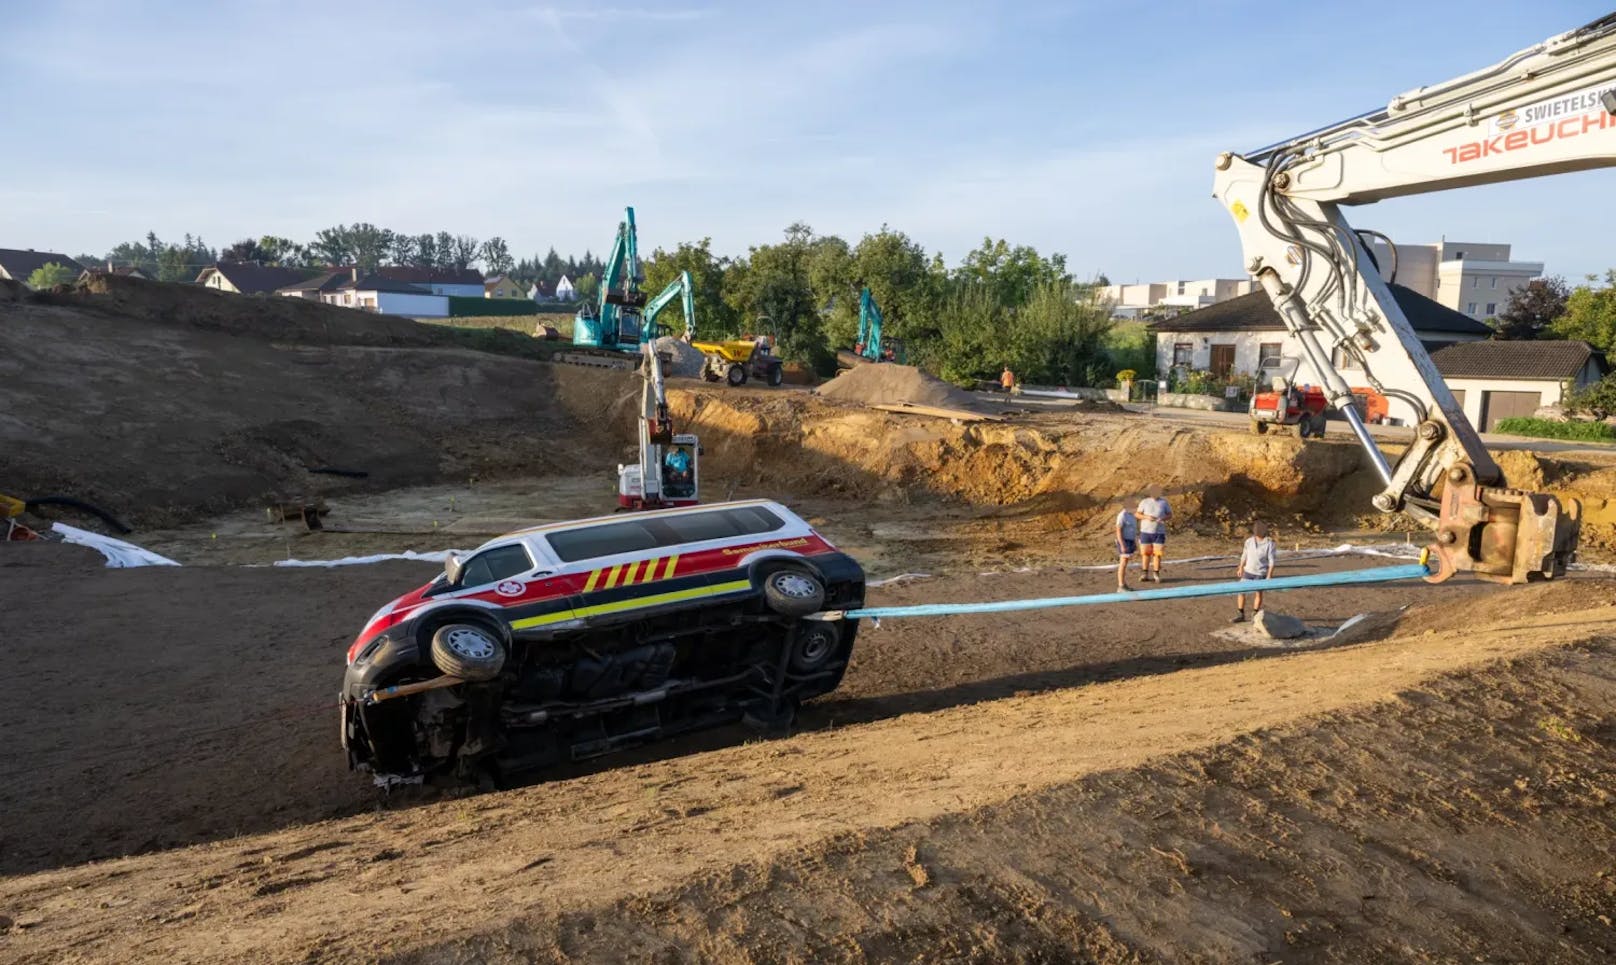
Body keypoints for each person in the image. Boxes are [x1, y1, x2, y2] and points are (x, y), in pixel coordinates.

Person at [1232, 520, 1277, 623]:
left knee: (1258, 593)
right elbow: (1244, 555)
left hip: (1260, 573)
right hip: (1248, 571)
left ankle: (1255, 614)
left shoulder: (1270, 543)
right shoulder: (1249, 541)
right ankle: (1240, 613)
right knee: (1240, 591)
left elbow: (1271, 561)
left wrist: (1269, 575)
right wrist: (1240, 567)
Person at [1135, 484, 1172, 582]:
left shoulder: (1164, 502)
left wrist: (1162, 518)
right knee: (1146, 554)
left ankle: (1156, 573)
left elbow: (1170, 515)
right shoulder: (1144, 502)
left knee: (1157, 554)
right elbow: (1137, 514)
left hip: (1159, 532)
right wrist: (1147, 517)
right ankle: (1144, 573)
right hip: (1146, 532)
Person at [1114, 503, 1139, 592]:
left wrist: (1135, 542)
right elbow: (1118, 531)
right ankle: (1121, 585)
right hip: (1124, 541)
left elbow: (1133, 530)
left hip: (1130, 541)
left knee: (1125, 563)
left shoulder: (1132, 516)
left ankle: (1124, 584)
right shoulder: (1122, 515)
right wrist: (1122, 544)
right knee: (1123, 563)